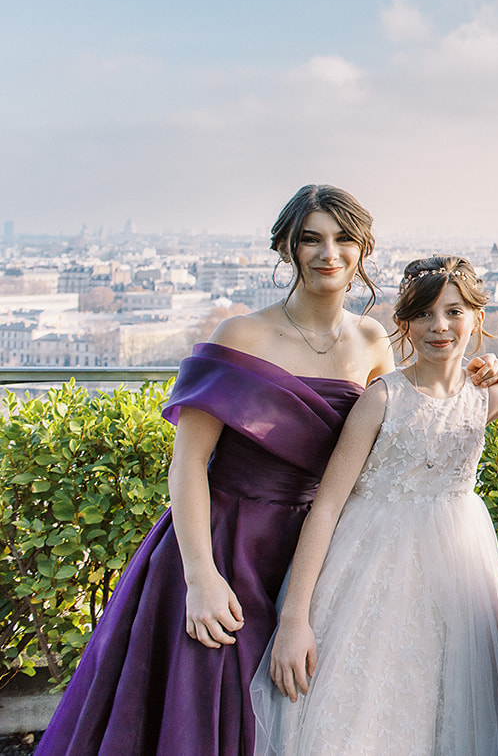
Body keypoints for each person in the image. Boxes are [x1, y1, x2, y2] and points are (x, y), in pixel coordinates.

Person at [38, 185, 400, 755]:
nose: (328, 253)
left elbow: (393, 441)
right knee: (204, 714)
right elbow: (188, 464)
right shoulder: (242, 335)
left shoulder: (375, 341)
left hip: (317, 552)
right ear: (286, 248)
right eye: (311, 239)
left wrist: (483, 380)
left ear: (363, 250)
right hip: (225, 545)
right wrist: (199, 578)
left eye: (343, 239)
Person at [253, 255, 498, 755]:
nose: (439, 326)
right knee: (361, 708)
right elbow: (327, 506)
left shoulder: (488, 395)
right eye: (424, 314)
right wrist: (294, 620)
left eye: (455, 311)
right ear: (404, 324)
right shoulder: (383, 399)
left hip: (458, 576)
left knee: (443, 707)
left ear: (478, 319)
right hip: (369, 571)